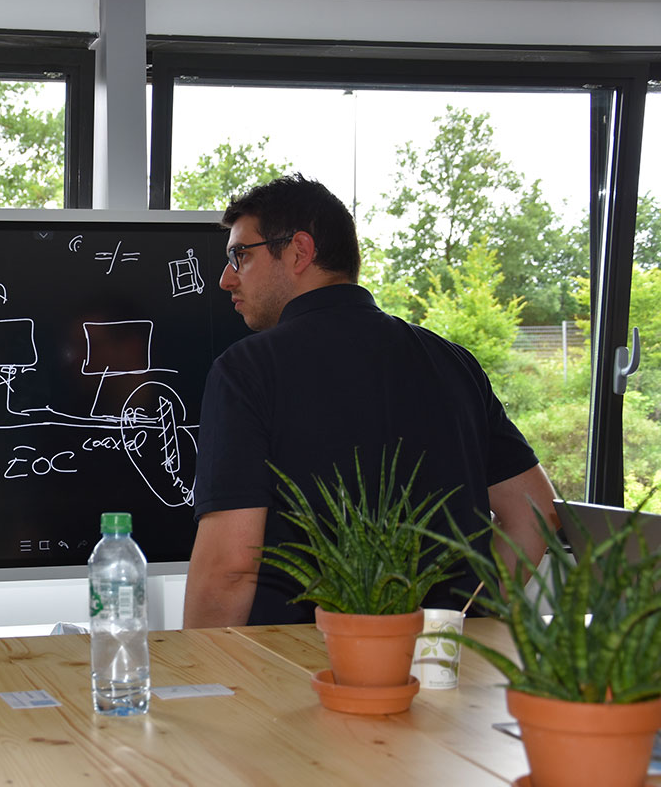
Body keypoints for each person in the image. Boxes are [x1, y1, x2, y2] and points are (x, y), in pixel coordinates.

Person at [183, 174, 558, 628]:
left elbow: (229, 570)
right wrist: (467, 619)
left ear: (299, 250)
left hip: (294, 666)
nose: (226, 279)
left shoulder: (247, 371)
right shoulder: (453, 363)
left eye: (240, 255)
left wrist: (192, 672)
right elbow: (536, 513)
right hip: (442, 668)